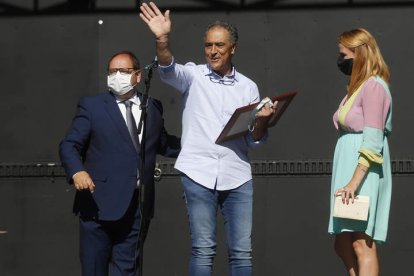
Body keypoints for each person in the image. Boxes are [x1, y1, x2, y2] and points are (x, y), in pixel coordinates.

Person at [139, 2, 277, 276]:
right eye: (208, 45)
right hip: (198, 172)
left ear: (233, 48)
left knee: (241, 253)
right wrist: (162, 39)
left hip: (237, 174)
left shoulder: (248, 86)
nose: (213, 51)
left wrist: (262, 121)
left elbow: (253, 140)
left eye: (219, 46)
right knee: (203, 250)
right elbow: (168, 68)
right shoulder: (194, 75)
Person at [59, 50, 180, 276]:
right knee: (94, 270)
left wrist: (202, 145)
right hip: (98, 205)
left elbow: (164, 144)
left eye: (123, 71)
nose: (117, 76)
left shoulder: (152, 107)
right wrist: (77, 172)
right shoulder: (92, 106)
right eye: (112, 71)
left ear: (137, 75)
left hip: (137, 207)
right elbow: (69, 145)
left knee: (128, 271)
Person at [328, 28, 392, 276]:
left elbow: (374, 139)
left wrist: (354, 182)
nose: (341, 60)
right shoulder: (357, 88)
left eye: (344, 54)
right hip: (349, 166)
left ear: (360, 54)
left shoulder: (374, 86)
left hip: (363, 171)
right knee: (343, 243)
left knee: (361, 243)